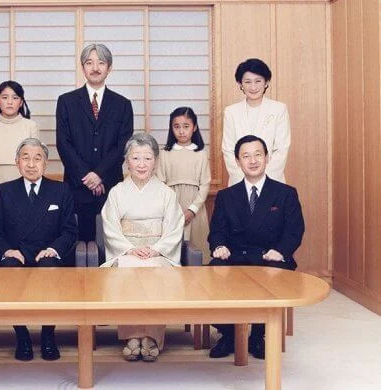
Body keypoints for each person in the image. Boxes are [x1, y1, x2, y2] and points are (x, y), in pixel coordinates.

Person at [208, 135, 305, 360]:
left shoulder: (285, 193)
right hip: (235, 257)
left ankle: (257, 336)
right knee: (210, 275)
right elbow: (217, 231)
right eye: (246, 156)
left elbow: (295, 230)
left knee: (273, 275)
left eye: (257, 154)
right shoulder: (226, 196)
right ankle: (229, 334)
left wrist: (281, 250)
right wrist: (219, 245)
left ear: (267, 158)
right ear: (237, 161)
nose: (252, 160)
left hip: (269, 257)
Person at [0, 138, 77, 361]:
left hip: (47, 253)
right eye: (25, 158)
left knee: (49, 269)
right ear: (17, 162)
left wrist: (53, 249)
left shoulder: (61, 190)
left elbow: (69, 231)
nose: (31, 163)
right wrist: (8, 250)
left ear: (46, 163)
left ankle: (48, 335)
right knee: (9, 268)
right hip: (16, 253)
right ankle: (22, 336)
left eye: (37, 158)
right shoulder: (4, 191)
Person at [101, 133, 184, 362]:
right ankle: (131, 337)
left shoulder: (166, 193)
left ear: (156, 161)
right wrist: (128, 248)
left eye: (147, 158)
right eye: (136, 158)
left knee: (156, 270)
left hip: (157, 251)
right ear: (127, 161)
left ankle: (152, 337)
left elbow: (174, 227)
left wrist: (157, 249)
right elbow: (110, 226)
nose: (141, 164)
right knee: (127, 269)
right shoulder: (117, 192)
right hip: (127, 251)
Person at [56, 43, 134, 241]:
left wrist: (99, 175)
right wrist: (87, 176)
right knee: (79, 246)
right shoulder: (66, 101)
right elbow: (63, 144)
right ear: (82, 68)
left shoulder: (123, 104)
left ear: (110, 67)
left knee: (111, 243)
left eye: (101, 62)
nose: (95, 68)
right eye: (89, 63)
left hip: (111, 185)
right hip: (76, 186)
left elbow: (123, 145)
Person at [0, 80, 39, 244]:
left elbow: (36, 160)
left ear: (21, 102)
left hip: (24, 188)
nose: (10, 101)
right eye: (5, 97)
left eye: (15, 97)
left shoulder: (30, 126)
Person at [222, 58, 290, 186]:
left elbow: (282, 149)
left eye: (258, 81)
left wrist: (261, 179)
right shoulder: (231, 112)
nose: (253, 87)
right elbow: (228, 149)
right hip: (240, 182)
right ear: (240, 83)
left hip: (272, 181)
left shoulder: (279, 109)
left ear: (266, 82)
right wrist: (246, 178)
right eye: (247, 82)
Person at [156, 107, 211, 262]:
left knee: (196, 248)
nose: (181, 131)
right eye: (177, 126)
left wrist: (192, 210)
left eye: (186, 126)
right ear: (171, 128)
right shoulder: (165, 153)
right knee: (172, 251)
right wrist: (172, 209)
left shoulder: (200, 153)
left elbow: (205, 184)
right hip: (172, 205)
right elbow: (160, 183)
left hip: (195, 207)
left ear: (194, 128)